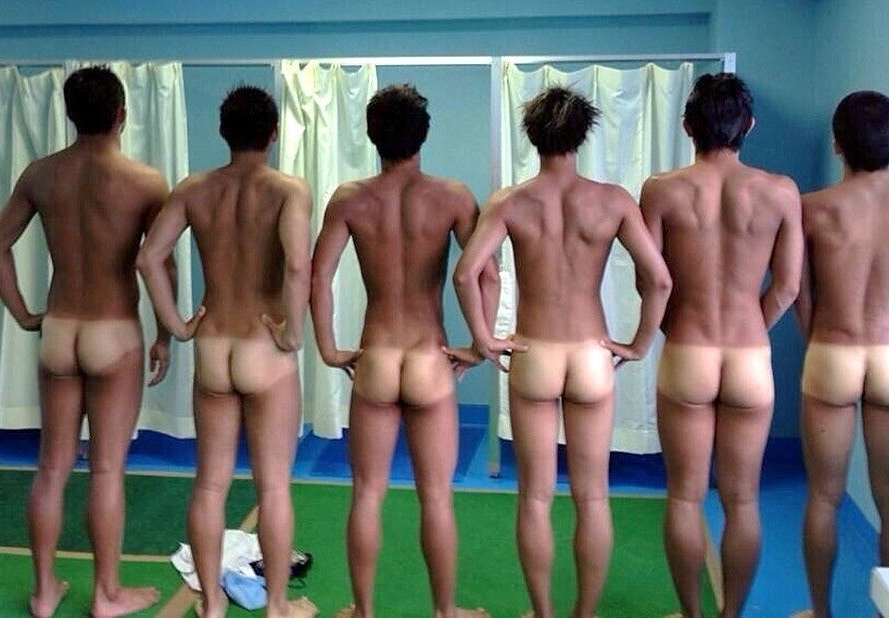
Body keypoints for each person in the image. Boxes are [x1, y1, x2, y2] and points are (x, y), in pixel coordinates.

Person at [454, 86, 672, 618]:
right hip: (592, 355)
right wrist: (639, 344)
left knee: (535, 496)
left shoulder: (510, 201)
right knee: (592, 497)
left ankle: (543, 613)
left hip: (535, 354)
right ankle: (584, 614)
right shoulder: (613, 200)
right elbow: (660, 280)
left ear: (533, 137)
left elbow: (466, 274)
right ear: (582, 134)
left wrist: (484, 339)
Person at [0, 65, 172, 617]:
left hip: (60, 333)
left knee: (51, 467)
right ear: (122, 115)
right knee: (107, 469)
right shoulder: (145, 181)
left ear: (69, 114)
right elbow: (159, 264)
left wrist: (24, 314)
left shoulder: (41, 174)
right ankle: (107, 594)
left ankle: (44, 591)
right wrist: (166, 333)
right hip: (114, 333)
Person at [310, 83, 498, 618]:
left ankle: (363, 611)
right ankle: (445, 611)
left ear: (372, 136)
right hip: (428, 358)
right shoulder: (454, 196)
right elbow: (486, 275)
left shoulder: (349, 198)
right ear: (424, 135)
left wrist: (328, 349)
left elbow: (318, 277)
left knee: (367, 493)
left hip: (375, 356)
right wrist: (479, 345)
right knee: (436, 496)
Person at [137, 85, 315, 618]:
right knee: (274, 487)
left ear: (222, 132)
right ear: (274, 134)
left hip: (214, 347)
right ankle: (278, 605)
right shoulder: (289, 190)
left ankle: (212, 603)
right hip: (265, 349)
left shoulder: (195, 189)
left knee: (211, 485)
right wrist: (293, 333)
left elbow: (149, 258)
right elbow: (298, 266)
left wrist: (176, 327)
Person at [639, 73, 803, 618]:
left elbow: (651, 280)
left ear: (687, 127)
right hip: (749, 357)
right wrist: (751, 328)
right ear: (749, 125)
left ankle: (691, 614)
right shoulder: (780, 191)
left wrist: (675, 329)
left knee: (685, 496)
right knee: (743, 498)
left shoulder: (661, 189)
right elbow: (787, 286)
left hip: (688, 350)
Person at [795, 91, 889, 618]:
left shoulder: (811, 209)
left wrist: (821, 343)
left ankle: (820, 612)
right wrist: (887, 328)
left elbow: (801, 295)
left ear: (837, 145)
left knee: (823, 497)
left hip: (831, 352)